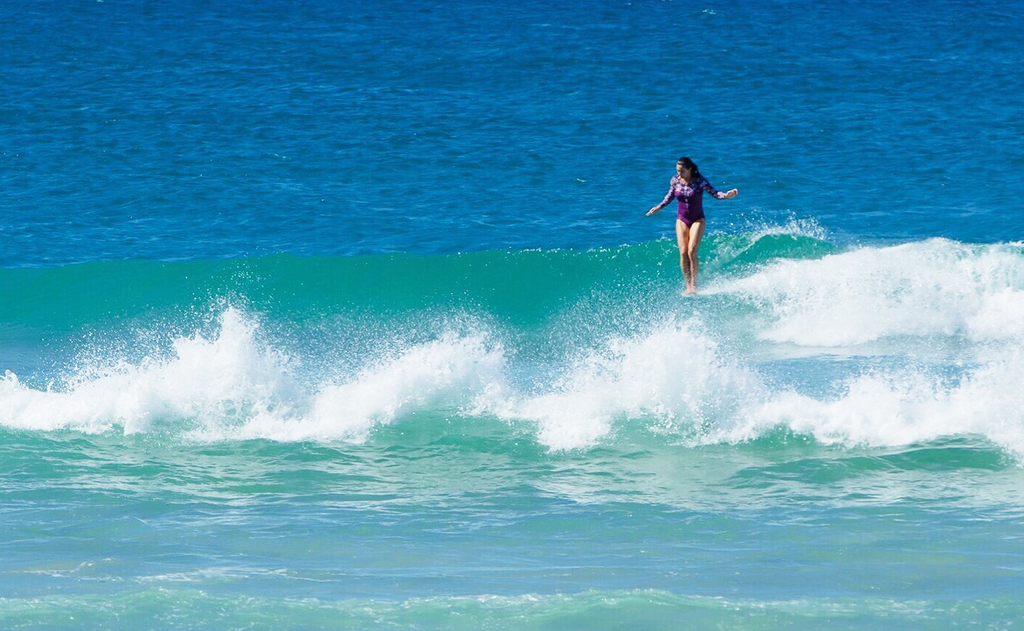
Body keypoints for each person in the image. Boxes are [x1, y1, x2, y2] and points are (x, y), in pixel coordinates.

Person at [646, 157, 738, 294]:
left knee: (692, 251)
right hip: (681, 219)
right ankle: (688, 285)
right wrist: (659, 207)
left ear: (689, 169)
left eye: (682, 171)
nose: (679, 174)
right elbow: (670, 196)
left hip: (697, 219)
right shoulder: (675, 180)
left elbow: (715, 193)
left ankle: (694, 285)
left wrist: (726, 195)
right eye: (677, 171)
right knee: (683, 252)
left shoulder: (700, 181)